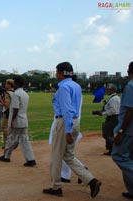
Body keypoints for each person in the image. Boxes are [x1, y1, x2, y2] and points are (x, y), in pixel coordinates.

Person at [43, 62, 101, 198]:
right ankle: (91, 180)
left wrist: (67, 131)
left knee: (56, 156)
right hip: (74, 122)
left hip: (65, 122)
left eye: (57, 72)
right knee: (69, 156)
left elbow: (67, 109)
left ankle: (56, 187)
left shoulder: (63, 88)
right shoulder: (76, 86)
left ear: (61, 73)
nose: (56, 74)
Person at [0, 76, 36, 167]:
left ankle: (6, 156)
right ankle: (31, 159)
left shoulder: (16, 94)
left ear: (17, 83)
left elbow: (15, 108)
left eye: (14, 82)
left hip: (17, 120)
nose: (13, 84)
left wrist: (12, 120)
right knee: (25, 141)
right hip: (24, 120)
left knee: (10, 139)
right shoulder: (25, 94)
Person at [112, 62, 133, 200]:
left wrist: (120, 131)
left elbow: (130, 111)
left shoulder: (131, 86)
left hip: (128, 130)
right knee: (130, 157)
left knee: (119, 156)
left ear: (128, 71)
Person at [92, 83, 120, 155]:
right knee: (109, 133)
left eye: (108, 90)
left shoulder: (113, 98)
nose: (107, 91)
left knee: (107, 134)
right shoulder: (114, 97)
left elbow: (113, 110)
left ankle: (113, 149)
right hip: (114, 117)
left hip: (113, 118)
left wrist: (103, 113)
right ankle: (111, 148)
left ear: (112, 90)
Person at [0, 79, 14, 148]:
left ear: (9, 85)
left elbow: (7, 104)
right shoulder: (14, 92)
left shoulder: (8, 93)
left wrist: (1, 101)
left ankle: (7, 144)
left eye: (6, 84)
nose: (5, 85)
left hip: (7, 112)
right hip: (12, 112)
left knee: (4, 128)